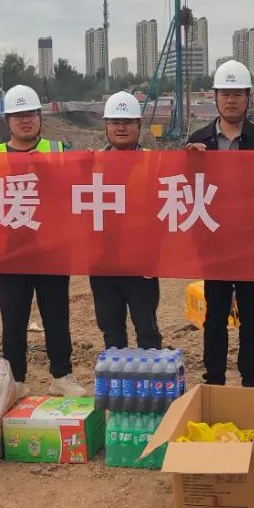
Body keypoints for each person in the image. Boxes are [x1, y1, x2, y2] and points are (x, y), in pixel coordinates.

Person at [0, 85, 86, 398]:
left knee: (56, 316)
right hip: (10, 251)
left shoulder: (59, 150)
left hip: (51, 249)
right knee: (13, 319)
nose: (25, 120)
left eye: (30, 114)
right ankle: (16, 379)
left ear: (40, 117)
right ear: (7, 120)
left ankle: (61, 375)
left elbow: (77, 187)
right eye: (18, 115)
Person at [187, 61, 254, 386]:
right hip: (214, 245)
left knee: (252, 317)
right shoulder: (199, 141)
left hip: (252, 246)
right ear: (215, 97)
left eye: (237, 94)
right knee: (215, 316)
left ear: (247, 97)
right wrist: (189, 162)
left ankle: (250, 380)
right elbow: (185, 192)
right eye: (225, 93)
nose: (231, 100)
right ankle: (214, 379)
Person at [89, 91, 162, 350]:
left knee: (147, 327)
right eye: (115, 122)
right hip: (103, 263)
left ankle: (151, 373)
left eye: (128, 122)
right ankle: (117, 374)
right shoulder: (91, 163)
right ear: (106, 126)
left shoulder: (155, 162)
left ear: (139, 126)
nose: (121, 128)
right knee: (111, 328)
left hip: (141, 263)